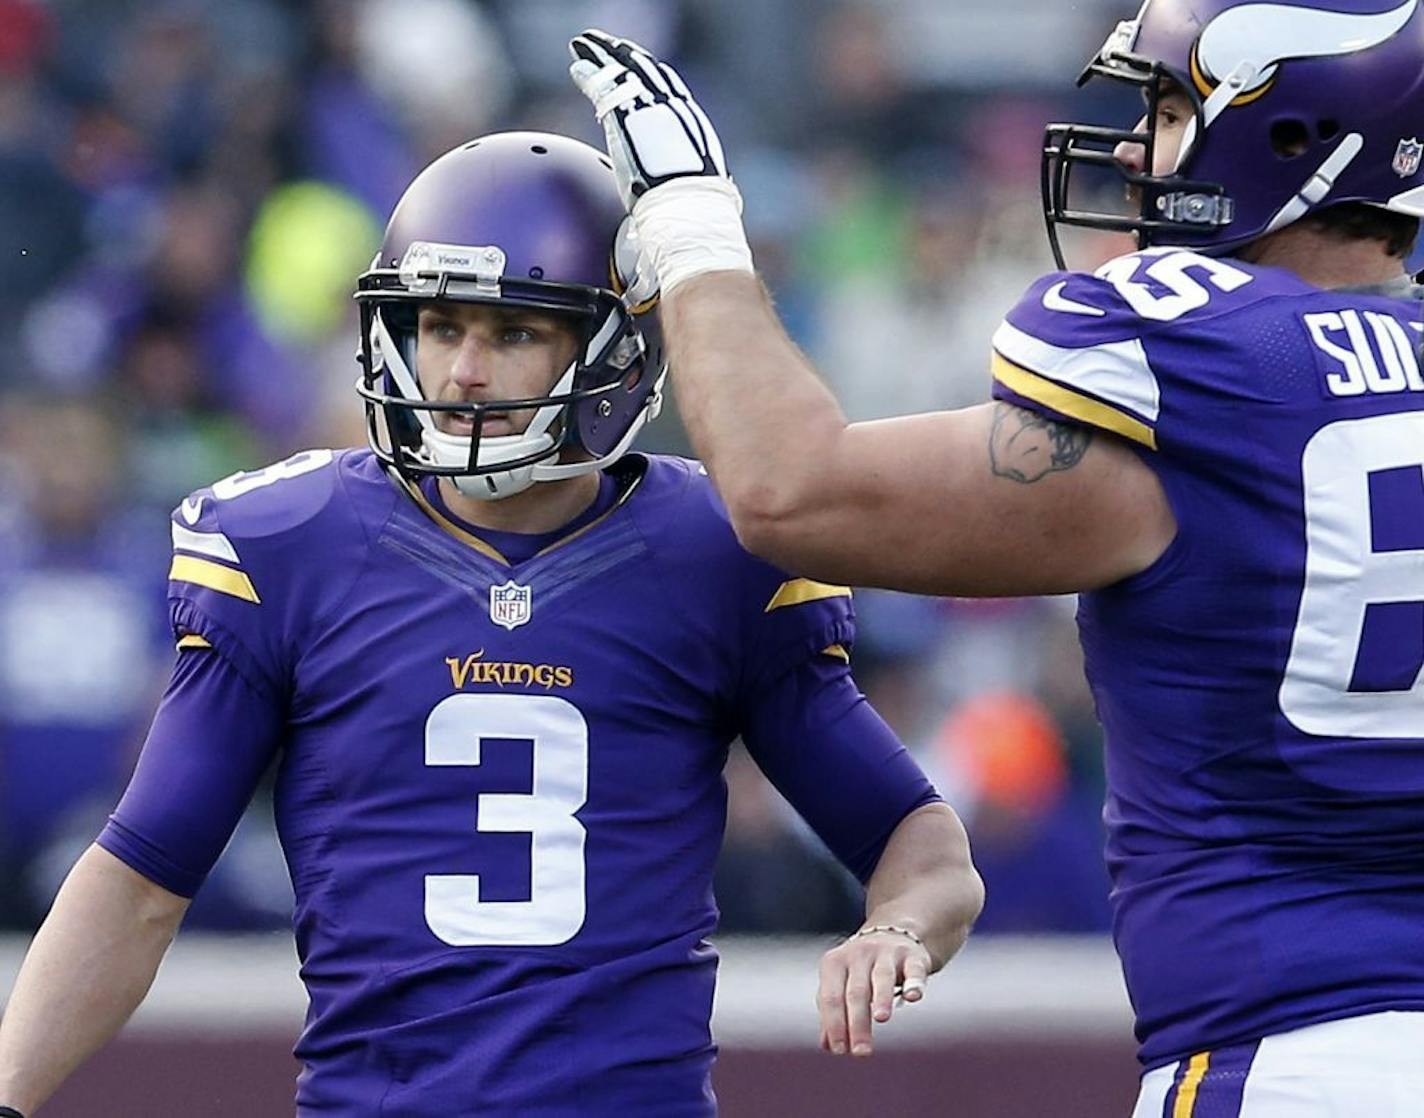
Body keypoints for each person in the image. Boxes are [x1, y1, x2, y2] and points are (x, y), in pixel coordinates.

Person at [0, 132, 984, 1117]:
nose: (465, 370)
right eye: (439, 325)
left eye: (513, 332)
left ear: (610, 346)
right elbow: (138, 880)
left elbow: (919, 842)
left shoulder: (713, 552)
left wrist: (896, 927)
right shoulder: (290, 545)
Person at [567, 4, 1424, 1113]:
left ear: (1293, 141)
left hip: (1287, 1054)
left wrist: (689, 221)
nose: (1128, 148)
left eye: (1166, 113)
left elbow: (787, 485)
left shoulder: (1209, 376)